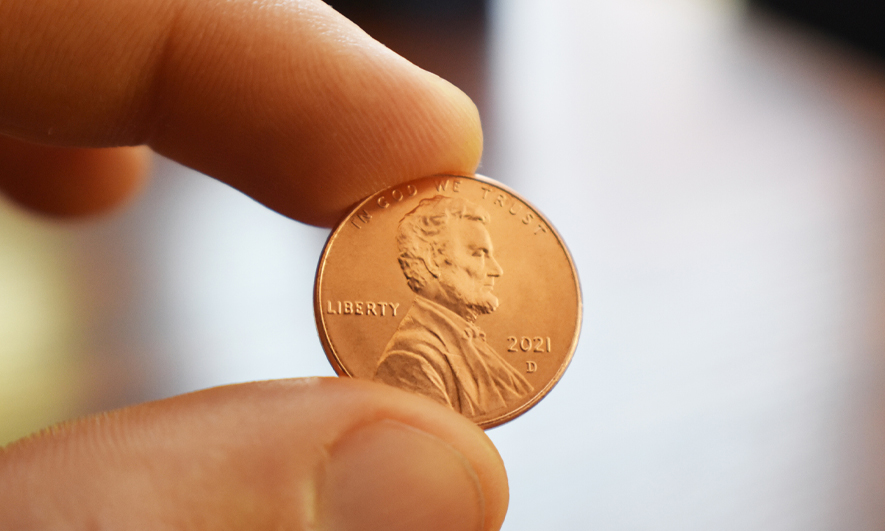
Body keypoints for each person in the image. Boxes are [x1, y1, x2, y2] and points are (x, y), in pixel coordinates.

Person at [0, 1, 508, 530]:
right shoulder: (416, 361)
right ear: (429, 266)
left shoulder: (470, 353)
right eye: (478, 253)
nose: (495, 268)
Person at [376, 195, 533, 416]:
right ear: (432, 259)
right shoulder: (411, 358)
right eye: (478, 254)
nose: (496, 270)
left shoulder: (467, 341)